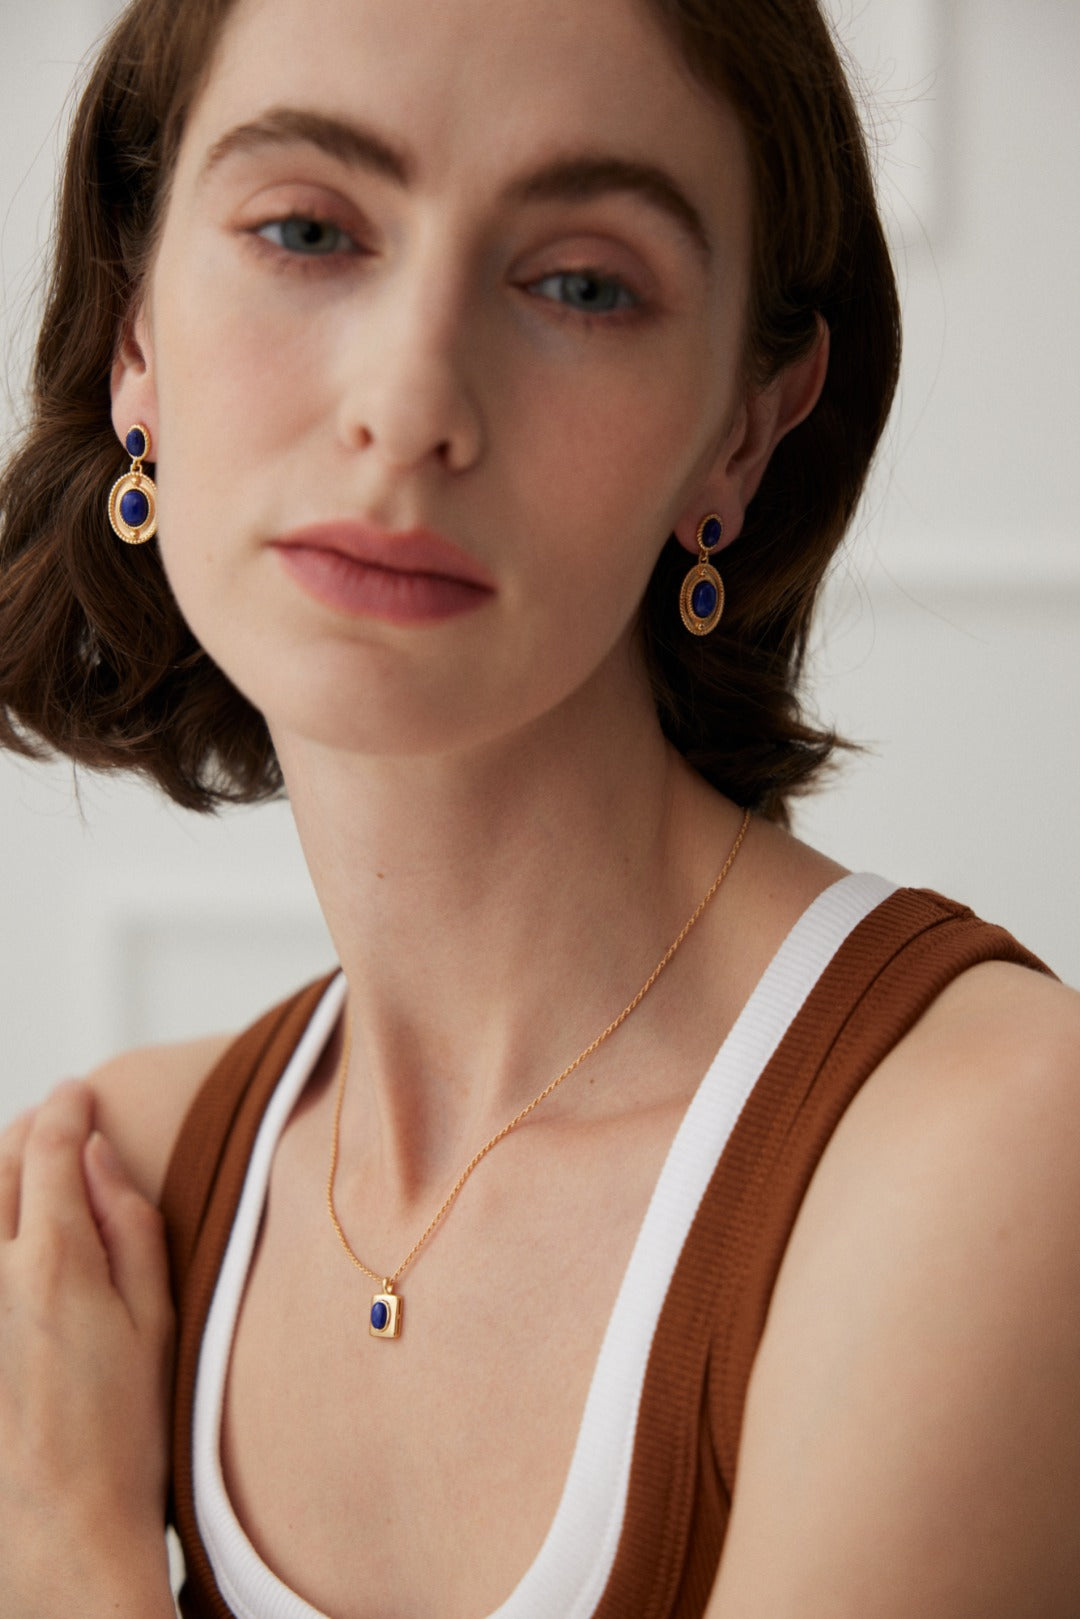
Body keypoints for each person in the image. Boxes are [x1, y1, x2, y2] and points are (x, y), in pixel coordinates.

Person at [0, 0, 1078, 1614]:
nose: (412, 401)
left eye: (582, 283)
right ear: (131, 328)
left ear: (744, 427)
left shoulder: (983, 1154)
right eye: (307, 229)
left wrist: (72, 1561)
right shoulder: (123, 1194)